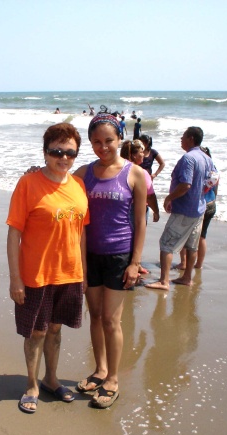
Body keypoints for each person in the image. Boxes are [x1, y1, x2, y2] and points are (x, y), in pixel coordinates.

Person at [7, 123, 89, 414]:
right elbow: (14, 233)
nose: (63, 158)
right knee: (37, 332)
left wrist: (84, 276)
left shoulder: (79, 187)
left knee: (55, 329)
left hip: (70, 274)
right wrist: (15, 279)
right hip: (36, 275)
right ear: (45, 152)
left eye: (70, 153)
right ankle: (32, 385)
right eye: (57, 151)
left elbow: (81, 233)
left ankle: (51, 379)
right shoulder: (28, 184)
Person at [72, 113, 147, 409]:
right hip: (89, 253)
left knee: (112, 320)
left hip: (119, 255)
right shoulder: (83, 173)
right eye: (96, 142)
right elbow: (58, 182)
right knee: (95, 316)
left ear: (120, 140)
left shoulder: (135, 174)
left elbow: (140, 222)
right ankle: (99, 369)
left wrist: (134, 262)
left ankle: (113, 378)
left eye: (109, 141)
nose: (103, 147)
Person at [146, 127, 214, 291]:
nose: (181, 139)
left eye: (183, 136)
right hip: (199, 208)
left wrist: (170, 198)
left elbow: (185, 185)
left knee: (166, 243)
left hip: (185, 209)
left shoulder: (188, 158)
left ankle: (164, 281)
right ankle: (187, 277)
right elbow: (213, 179)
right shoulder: (206, 158)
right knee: (192, 245)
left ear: (191, 138)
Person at [177, 147, 219, 269]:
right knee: (202, 236)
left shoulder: (196, 165)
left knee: (186, 234)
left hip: (198, 204)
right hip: (211, 203)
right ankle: (199, 264)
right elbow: (215, 189)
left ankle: (183, 263)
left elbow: (189, 185)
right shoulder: (213, 169)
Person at [120, 140, 160, 224]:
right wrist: (156, 211)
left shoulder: (117, 171)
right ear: (134, 155)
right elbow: (150, 196)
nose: (143, 154)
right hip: (135, 210)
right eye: (141, 152)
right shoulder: (140, 173)